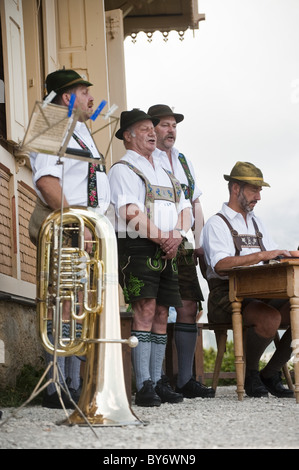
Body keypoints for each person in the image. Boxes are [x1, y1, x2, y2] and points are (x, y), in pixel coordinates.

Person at [29, 69, 110, 408]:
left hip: (87, 226)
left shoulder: (82, 131)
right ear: (67, 97)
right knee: (62, 302)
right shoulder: (52, 126)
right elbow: (48, 183)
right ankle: (56, 387)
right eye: (84, 92)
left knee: (79, 302)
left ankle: (75, 384)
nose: (92, 99)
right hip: (67, 224)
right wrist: (78, 223)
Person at [108, 109, 193, 406]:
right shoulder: (122, 169)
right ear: (128, 137)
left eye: (151, 128)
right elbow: (129, 212)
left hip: (168, 245)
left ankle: (157, 380)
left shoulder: (166, 170)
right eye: (144, 129)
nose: (152, 133)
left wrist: (178, 236)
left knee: (161, 313)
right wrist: (164, 238)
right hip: (137, 247)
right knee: (144, 310)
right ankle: (143, 384)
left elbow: (186, 208)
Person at [201, 161, 298, 398]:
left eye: (260, 190)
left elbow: (273, 254)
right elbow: (220, 265)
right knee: (269, 316)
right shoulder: (216, 223)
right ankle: (251, 374)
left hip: (261, 294)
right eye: (254, 190)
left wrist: (288, 254)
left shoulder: (257, 221)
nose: (259, 197)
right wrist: (262, 255)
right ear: (236, 189)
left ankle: (270, 373)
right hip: (225, 296)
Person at [147, 104, 214, 398]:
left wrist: (199, 242)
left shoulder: (183, 160)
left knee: (189, 306)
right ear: (152, 129)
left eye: (174, 125)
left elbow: (194, 202)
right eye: (164, 124)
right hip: (155, 239)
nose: (171, 130)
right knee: (154, 307)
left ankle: (186, 380)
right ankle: (157, 378)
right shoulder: (147, 157)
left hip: (183, 242)